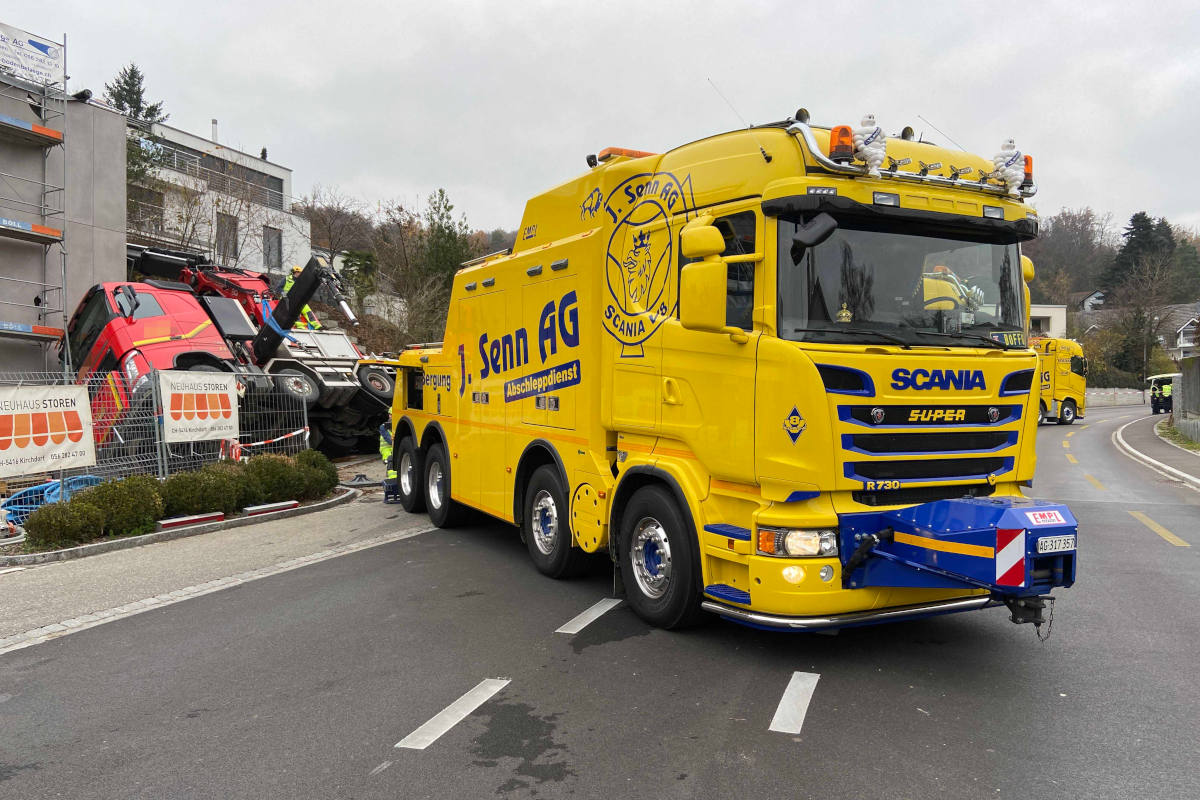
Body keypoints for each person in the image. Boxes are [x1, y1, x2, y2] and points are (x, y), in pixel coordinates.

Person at [282, 264, 323, 330]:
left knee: (307, 310)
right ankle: (299, 325)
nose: (300, 274)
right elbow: (278, 288)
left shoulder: (300, 281)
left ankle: (316, 325)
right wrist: (284, 294)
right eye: (299, 272)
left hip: (298, 298)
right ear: (295, 272)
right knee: (295, 309)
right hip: (288, 299)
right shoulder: (286, 279)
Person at [379, 423, 399, 500]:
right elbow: (389, 442)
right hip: (387, 452)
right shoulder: (385, 429)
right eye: (389, 414)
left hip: (391, 452)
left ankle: (395, 487)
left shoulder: (388, 428)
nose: (390, 416)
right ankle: (394, 487)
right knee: (391, 468)